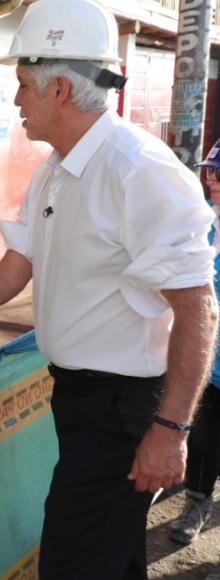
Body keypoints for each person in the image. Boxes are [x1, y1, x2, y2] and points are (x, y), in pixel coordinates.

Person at [0, 1, 218, 578]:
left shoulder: (139, 170)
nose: (17, 99)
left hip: (125, 408)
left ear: (61, 89)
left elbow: (198, 307)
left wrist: (170, 430)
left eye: (23, 85)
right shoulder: (57, 169)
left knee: (72, 562)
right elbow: (11, 272)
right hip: (80, 397)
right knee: (111, 555)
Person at [169, 140, 220, 545]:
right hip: (212, 368)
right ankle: (198, 502)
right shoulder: (202, 226)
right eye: (210, 171)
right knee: (203, 438)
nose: (212, 180)